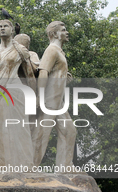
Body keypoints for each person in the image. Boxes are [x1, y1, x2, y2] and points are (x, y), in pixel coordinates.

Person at [0, 19, 36, 168]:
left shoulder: (20, 50)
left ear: (11, 30)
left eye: (5, 26)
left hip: (14, 89)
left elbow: (29, 74)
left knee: (18, 127)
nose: (2, 29)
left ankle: (24, 164)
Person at [31, 21, 76, 168]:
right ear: (54, 33)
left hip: (58, 101)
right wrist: (40, 96)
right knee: (41, 135)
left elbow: (53, 75)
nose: (66, 32)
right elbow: (43, 72)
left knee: (69, 131)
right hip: (49, 100)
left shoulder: (59, 51)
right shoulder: (51, 50)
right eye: (63, 30)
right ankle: (29, 166)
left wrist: (64, 78)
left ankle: (65, 167)